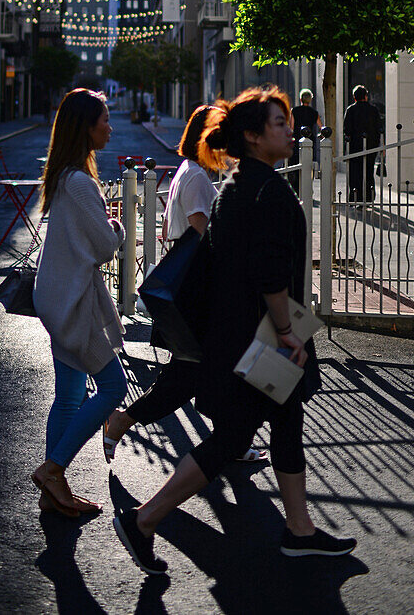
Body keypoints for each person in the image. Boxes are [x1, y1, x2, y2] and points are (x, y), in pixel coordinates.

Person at [113, 87, 356, 575]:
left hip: (244, 335)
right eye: (279, 123)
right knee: (234, 437)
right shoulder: (265, 189)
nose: (290, 130)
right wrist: (288, 333)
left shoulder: (241, 182)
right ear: (252, 135)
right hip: (261, 337)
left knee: (286, 422)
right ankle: (145, 519)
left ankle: (300, 531)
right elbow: (269, 274)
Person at [102, 104, 266, 465]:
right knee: (190, 373)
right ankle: (123, 421)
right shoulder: (194, 177)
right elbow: (201, 229)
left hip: (197, 287)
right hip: (198, 289)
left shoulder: (191, 173)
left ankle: (233, 442)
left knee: (207, 369)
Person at [31, 89, 128, 518]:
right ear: (86, 127)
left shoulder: (64, 176)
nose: (110, 126)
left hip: (57, 300)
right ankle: (52, 471)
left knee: (69, 395)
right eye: (104, 120)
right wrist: (118, 224)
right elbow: (107, 247)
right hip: (75, 304)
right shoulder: (81, 182)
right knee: (113, 388)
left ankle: (54, 492)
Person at [343, 85, 382, 202]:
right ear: (366, 96)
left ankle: (355, 197)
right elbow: (379, 128)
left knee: (355, 173)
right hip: (371, 146)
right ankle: (369, 197)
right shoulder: (373, 110)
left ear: (354, 97)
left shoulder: (350, 110)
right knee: (369, 172)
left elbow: (347, 129)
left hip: (355, 147)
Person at [289, 89, 322, 193]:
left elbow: (291, 127)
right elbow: (321, 127)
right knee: (308, 166)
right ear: (311, 99)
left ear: (300, 99)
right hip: (310, 142)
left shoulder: (294, 111)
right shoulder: (314, 113)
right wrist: (320, 135)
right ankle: (307, 188)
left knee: (296, 166)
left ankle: (296, 189)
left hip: (297, 142)